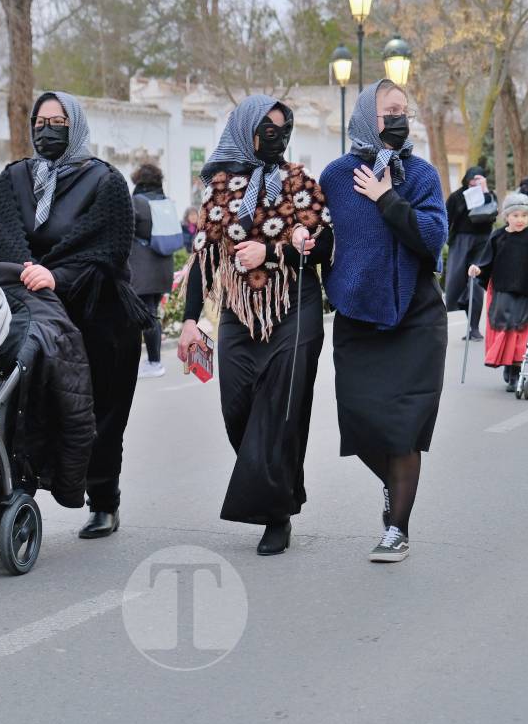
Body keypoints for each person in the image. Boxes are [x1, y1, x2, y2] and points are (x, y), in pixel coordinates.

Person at [0, 90, 151, 539]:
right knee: (24, 407)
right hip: (33, 315)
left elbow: (108, 250)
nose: (46, 130)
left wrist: (56, 275)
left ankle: (104, 500)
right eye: (40, 122)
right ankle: (12, 491)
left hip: (98, 315)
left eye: (57, 122)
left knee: (101, 414)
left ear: (76, 126)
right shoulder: (16, 178)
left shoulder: (105, 181)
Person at [176, 95, 330, 556]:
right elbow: (204, 257)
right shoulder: (218, 187)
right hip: (238, 315)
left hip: (293, 309)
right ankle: (279, 488)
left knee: (280, 411)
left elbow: (324, 247)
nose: (277, 135)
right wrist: (189, 322)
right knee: (238, 408)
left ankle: (275, 515)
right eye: (268, 126)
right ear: (246, 129)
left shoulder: (301, 181)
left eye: (284, 127)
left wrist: (276, 251)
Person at [320, 78, 448, 564]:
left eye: (404, 110)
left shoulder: (420, 175)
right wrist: (311, 243)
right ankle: (395, 487)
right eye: (389, 110)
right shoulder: (335, 176)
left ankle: (398, 528)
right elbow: (328, 234)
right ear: (364, 119)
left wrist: (387, 197)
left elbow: (432, 239)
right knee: (361, 419)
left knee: (403, 428)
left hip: (416, 317)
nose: (399, 117)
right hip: (357, 315)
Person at [468, 192, 528, 392]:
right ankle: (508, 366)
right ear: (506, 216)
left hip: (524, 291)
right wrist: (478, 268)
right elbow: (486, 260)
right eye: (515, 215)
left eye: (524, 215)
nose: (520, 220)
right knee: (504, 331)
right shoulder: (498, 235)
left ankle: (516, 372)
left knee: (519, 332)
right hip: (501, 290)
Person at [129, 163, 176, 378]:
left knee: (147, 315)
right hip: (163, 264)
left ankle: (154, 363)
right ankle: (152, 361)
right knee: (152, 312)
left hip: (143, 267)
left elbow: (126, 231)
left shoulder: (137, 202)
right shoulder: (165, 201)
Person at [444, 166, 494, 341]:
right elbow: (445, 218)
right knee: (455, 282)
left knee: (476, 284)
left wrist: (485, 191)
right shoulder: (457, 196)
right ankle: (457, 309)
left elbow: (493, 215)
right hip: (460, 242)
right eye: (472, 178)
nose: (475, 182)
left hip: (482, 242)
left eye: (479, 178)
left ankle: (474, 327)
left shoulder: (487, 195)